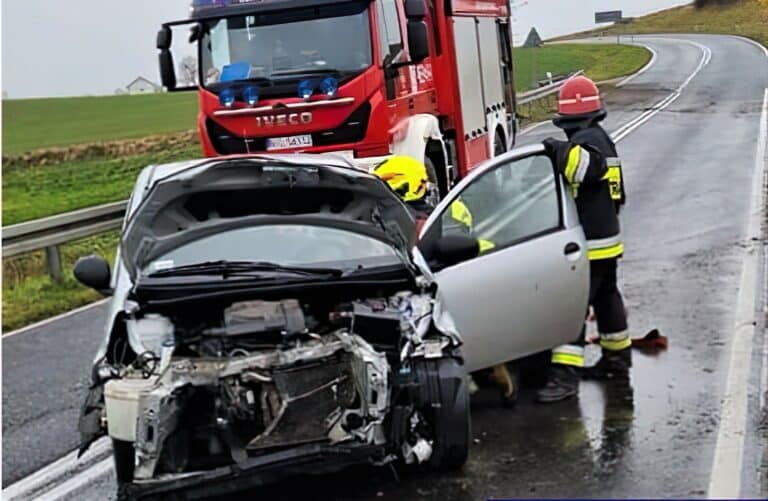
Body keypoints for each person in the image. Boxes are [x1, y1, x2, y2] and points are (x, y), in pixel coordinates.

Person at [373, 156, 511, 398]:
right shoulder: (447, 210)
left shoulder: (400, 220)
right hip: (435, 286)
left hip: (432, 290)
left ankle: (483, 376)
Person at [537, 75, 631, 404]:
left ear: (573, 120)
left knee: (574, 307)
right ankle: (617, 360)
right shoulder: (603, 137)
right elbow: (617, 193)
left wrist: (559, 150)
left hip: (592, 244)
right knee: (606, 301)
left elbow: (584, 169)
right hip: (606, 240)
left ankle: (564, 377)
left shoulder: (589, 140)